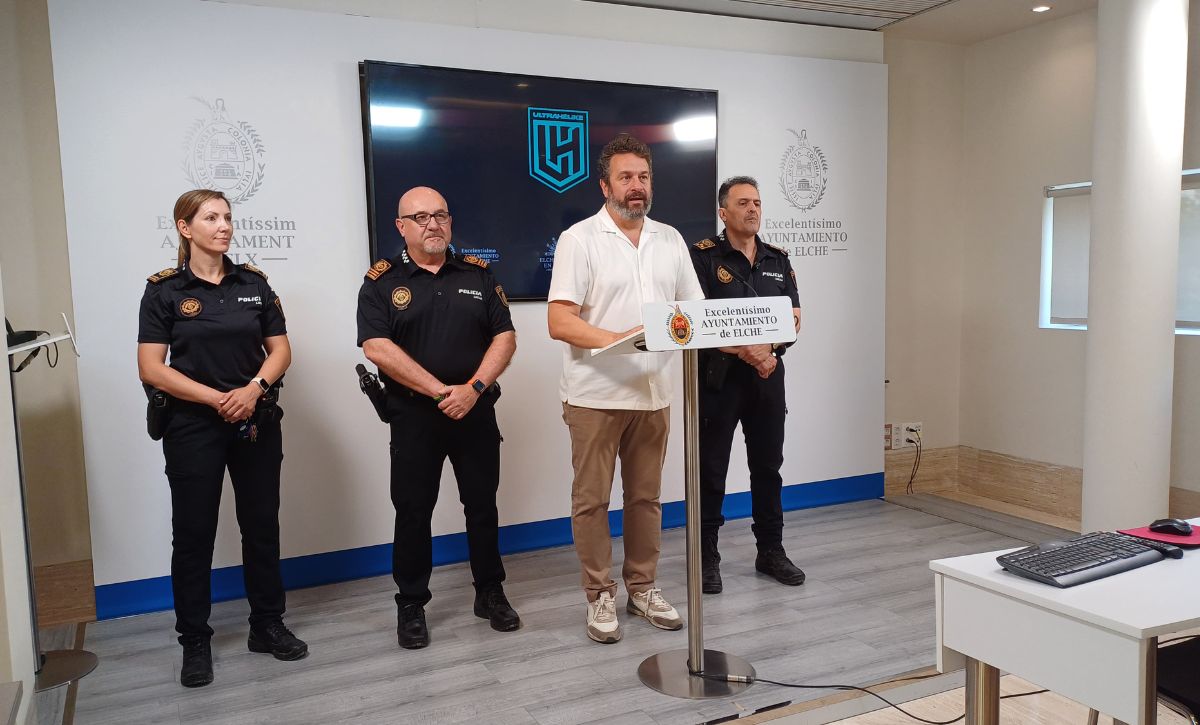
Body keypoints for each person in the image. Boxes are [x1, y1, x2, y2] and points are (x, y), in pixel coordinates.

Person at [137, 189, 307, 689]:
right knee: (193, 535)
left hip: (254, 419)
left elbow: (281, 350)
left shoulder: (253, 283)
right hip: (193, 426)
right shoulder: (164, 291)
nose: (224, 225)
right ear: (185, 227)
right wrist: (217, 399)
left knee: (261, 526)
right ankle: (194, 640)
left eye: (228, 217)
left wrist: (253, 390)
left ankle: (266, 625)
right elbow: (151, 367)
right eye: (211, 218)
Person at [548, 134, 704, 644]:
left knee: (646, 500)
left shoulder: (670, 239)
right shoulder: (579, 239)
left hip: (653, 393)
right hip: (594, 396)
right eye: (625, 177)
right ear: (605, 185)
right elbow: (559, 320)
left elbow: (693, 312)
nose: (636, 186)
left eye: (643, 177)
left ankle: (642, 588)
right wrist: (622, 340)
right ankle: (599, 594)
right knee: (592, 502)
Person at [357, 186, 519, 650]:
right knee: (413, 511)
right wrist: (440, 391)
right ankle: (411, 604)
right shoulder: (381, 282)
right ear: (401, 226)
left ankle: (489, 592)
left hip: (475, 410)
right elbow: (376, 347)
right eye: (421, 217)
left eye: (441, 215)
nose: (433, 224)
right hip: (414, 415)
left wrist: (473, 389)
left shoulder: (478, 274)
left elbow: (505, 337)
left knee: (482, 505)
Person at [688, 176, 805, 594]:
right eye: (742, 203)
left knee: (768, 468)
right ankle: (706, 556)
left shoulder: (777, 259)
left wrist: (765, 348)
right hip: (719, 380)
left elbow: (794, 318)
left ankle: (770, 550)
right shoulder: (703, 258)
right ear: (723, 212)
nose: (752, 209)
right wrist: (751, 350)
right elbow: (698, 322)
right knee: (711, 470)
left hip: (768, 378)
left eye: (756, 202)